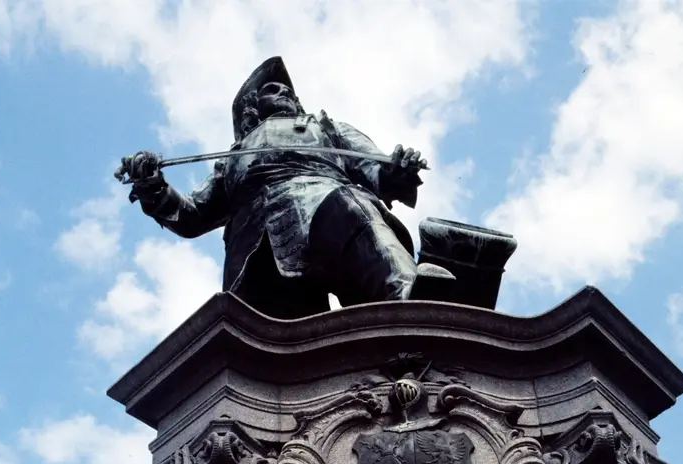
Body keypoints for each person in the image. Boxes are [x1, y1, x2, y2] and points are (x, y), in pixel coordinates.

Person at [123, 56, 455, 319]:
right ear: (251, 108)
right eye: (272, 89)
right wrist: (152, 186)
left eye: (287, 89)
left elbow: (373, 165)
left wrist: (397, 170)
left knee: (355, 216)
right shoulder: (231, 160)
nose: (285, 92)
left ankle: (408, 298)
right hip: (254, 241)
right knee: (255, 341)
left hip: (326, 201)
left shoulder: (325, 127)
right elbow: (192, 214)